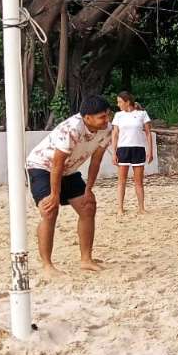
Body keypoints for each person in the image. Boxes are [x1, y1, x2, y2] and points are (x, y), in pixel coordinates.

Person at [25, 95, 113, 275]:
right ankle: (47, 265)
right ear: (87, 117)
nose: (107, 120)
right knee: (49, 211)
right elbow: (57, 164)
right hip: (42, 166)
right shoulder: (72, 129)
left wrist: (89, 190)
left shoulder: (107, 129)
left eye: (107, 115)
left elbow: (96, 161)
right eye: (102, 117)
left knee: (88, 207)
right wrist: (54, 195)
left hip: (69, 170)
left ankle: (86, 259)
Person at [110, 91, 153, 215]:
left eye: (119, 102)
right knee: (121, 180)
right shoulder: (118, 115)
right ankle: (120, 208)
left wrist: (150, 151)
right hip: (123, 149)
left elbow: (148, 133)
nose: (118, 104)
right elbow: (115, 134)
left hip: (138, 149)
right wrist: (114, 152)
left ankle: (141, 208)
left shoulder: (142, 114)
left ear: (127, 102)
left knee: (138, 181)